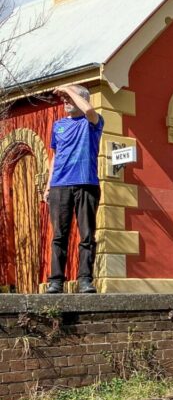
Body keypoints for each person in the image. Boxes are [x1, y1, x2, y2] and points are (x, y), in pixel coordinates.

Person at [44, 85, 103, 294]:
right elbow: (55, 157)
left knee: (87, 235)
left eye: (70, 98)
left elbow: (88, 110)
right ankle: (56, 281)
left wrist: (67, 88)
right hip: (60, 186)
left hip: (86, 184)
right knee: (60, 235)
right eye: (64, 99)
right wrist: (49, 185)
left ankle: (85, 280)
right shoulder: (58, 126)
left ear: (81, 99)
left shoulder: (92, 122)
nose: (66, 101)